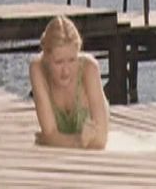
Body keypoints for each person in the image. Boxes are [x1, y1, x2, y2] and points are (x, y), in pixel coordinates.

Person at [29, 15, 109, 149]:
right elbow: (50, 133)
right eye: (58, 62)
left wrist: (54, 140)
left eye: (72, 60)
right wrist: (79, 141)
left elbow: (101, 140)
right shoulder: (38, 69)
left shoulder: (89, 69)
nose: (66, 71)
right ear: (46, 57)